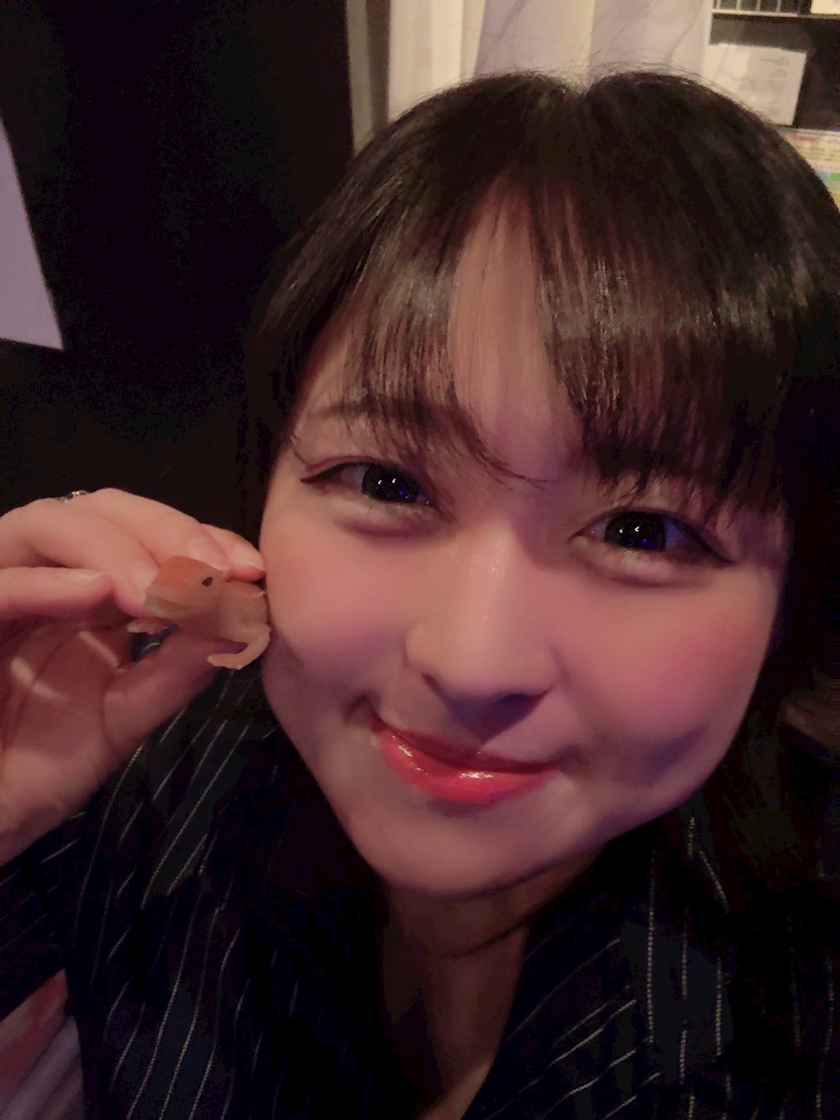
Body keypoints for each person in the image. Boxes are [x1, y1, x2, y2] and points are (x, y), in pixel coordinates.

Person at [0, 70, 836, 1120]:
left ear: (793, 604)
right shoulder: (151, 747)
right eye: (388, 482)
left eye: (643, 531)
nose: (470, 659)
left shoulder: (794, 1031)